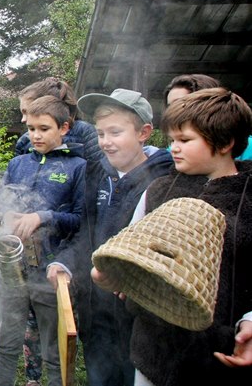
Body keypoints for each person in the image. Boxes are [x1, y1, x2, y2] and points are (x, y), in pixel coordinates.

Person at [92, 87, 252, 385]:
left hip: (218, 356)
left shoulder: (248, 197)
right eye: (172, 140)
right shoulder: (160, 190)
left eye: (185, 140)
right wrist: (113, 274)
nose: (173, 148)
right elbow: (132, 251)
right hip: (152, 350)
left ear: (225, 142)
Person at [46, 88, 173, 386]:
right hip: (96, 314)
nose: (105, 142)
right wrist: (64, 262)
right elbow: (86, 233)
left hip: (139, 322)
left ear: (144, 132)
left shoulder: (164, 182)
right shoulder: (97, 174)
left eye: (115, 132)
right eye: (101, 133)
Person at [14, 77, 103, 386]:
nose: (27, 123)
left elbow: (84, 206)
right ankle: (32, 378)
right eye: (27, 120)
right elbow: (17, 181)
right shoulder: (27, 142)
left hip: (66, 251)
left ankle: (59, 375)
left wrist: (48, 217)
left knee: (57, 326)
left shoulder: (85, 145)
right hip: (29, 254)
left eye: (32, 114)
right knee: (30, 326)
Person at [0, 95, 86, 386]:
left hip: (51, 273)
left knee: (53, 352)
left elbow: (82, 221)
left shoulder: (78, 167)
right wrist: (4, 213)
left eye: (44, 128)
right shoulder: (18, 163)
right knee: (5, 344)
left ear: (64, 128)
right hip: (12, 269)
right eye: (31, 128)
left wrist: (43, 216)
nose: (35, 135)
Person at [163, 74, 252, 160]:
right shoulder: (170, 155)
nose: (172, 112)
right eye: (169, 106)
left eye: (180, 104)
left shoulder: (249, 150)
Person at [16, 77, 103, 162]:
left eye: (26, 112)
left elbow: (101, 170)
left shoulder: (85, 133)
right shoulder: (24, 141)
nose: (23, 120)